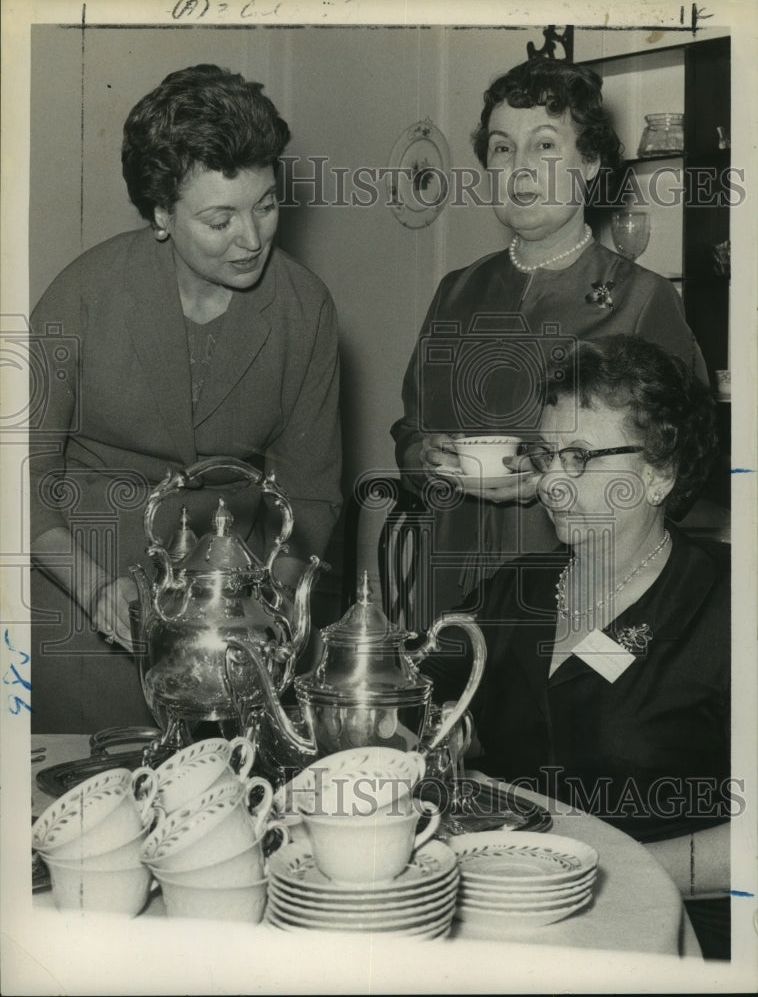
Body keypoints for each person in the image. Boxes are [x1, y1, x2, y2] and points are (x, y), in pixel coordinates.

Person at [29, 64, 342, 733]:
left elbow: (311, 495)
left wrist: (268, 611)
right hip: (80, 593)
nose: (252, 239)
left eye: (265, 206)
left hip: (232, 608)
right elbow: (19, 476)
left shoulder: (305, 308)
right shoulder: (83, 293)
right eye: (219, 219)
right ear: (161, 214)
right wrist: (94, 588)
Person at [423, 335, 730, 958]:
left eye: (580, 457)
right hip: (517, 911)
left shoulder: (725, 606)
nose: (552, 484)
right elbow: (416, 700)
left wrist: (604, 871)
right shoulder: (515, 593)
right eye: (547, 456)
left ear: (659, 473)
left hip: (674, 926)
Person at [391, 57, 709, 620]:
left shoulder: (642, 298)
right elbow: (410, 430)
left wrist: (558, 479)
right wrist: (425, 455)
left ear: (590, 162)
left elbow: (685, 464)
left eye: (543, 146)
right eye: (502, 148)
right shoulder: (456, 291)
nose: (519, 168)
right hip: (448, 593)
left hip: (583, 596)